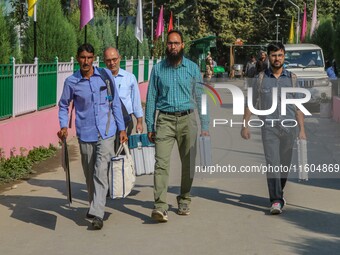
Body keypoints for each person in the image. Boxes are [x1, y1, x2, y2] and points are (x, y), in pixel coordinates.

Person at [58, 43, 128, 230]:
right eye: (83, 58)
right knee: (90, 175)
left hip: (106, 132)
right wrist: (64, 126)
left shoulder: (105, 77)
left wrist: (122, 129)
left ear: (94, 58)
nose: (86, 61)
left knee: (100, 172)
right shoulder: (71, 82)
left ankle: (97, 213)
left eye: (89, 57)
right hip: (85, 133)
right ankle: (94, 204)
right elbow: (64, 105)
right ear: (78, 58)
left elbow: (115, 105)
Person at [146, 30, 210, 223]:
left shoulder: (192, 69)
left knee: (188, 164)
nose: (172, 46)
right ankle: (160, 206)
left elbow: (201, 97)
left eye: (176, 43)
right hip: (164, 121)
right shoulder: (158, 69)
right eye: (169, 43)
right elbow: (151, 98)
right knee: (161, 164)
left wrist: (204, 124)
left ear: (183, 45)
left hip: (187, 120)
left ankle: (184, 198)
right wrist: (150, 124)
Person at [241, 42, 306, 215]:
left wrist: (302, 131)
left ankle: (279, 192)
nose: (277, 59)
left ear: (284, 56)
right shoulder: (260, 79)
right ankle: (276, 200)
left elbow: (298, 107)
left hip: (289, 128)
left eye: (280, 55)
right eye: (273, 55)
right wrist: (244, 125)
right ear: (268, 57)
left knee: (284, 166)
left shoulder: (292, 79)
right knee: (272, 163)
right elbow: (251, 103)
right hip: (269, 127)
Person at [103, 47, 144, 151]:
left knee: (123, 151)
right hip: (107, 121)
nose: (112, 63)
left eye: (114, 59)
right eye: (108, 60)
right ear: (104, 61)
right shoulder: (101, 78)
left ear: (119, 58)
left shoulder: (129, 77)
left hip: (126, 120)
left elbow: (136, 101)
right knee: (108, 151)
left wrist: (139, 122)